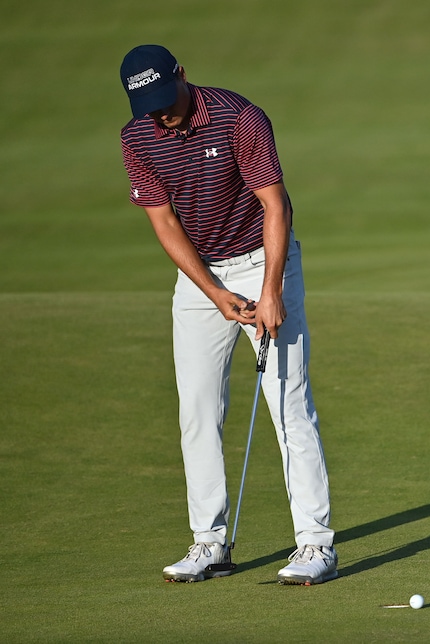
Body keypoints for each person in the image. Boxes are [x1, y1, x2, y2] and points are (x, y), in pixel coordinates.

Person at [118, 44, 336, 585]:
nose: (162, 114)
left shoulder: (240, 119)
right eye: (148, 105)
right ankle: (209, 543)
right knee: (197, 410)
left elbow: (275, 205)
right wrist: (214, 292)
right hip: (202, 279)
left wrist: (271, 290)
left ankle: (315, 546)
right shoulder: (136, 137)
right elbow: (164, 222)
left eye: (166, 99)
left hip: (264, 261)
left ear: (183, 77)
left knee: (288, 408)